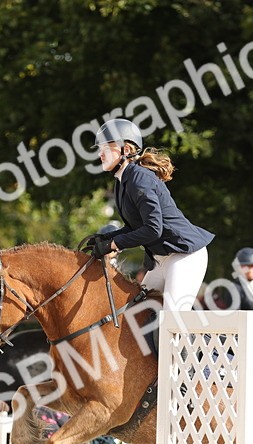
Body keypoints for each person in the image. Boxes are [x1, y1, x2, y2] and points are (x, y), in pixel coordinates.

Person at [83, 118, 213, 351]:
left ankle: (198, 370)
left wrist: (114, 244)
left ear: (126, 149)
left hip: (185, 256)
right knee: (137, 310)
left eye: (105, 147)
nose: (100, 154)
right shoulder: (122, 181)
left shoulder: (139, 178)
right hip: (161, 260)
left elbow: (154, 228)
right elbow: (136, 228)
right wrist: (105, 239)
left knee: (172, 322)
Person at [209, 247, 253, 325]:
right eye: (247, 266)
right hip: (244, 333)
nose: (251, 269)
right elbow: (235, 321)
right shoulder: (233, 289)